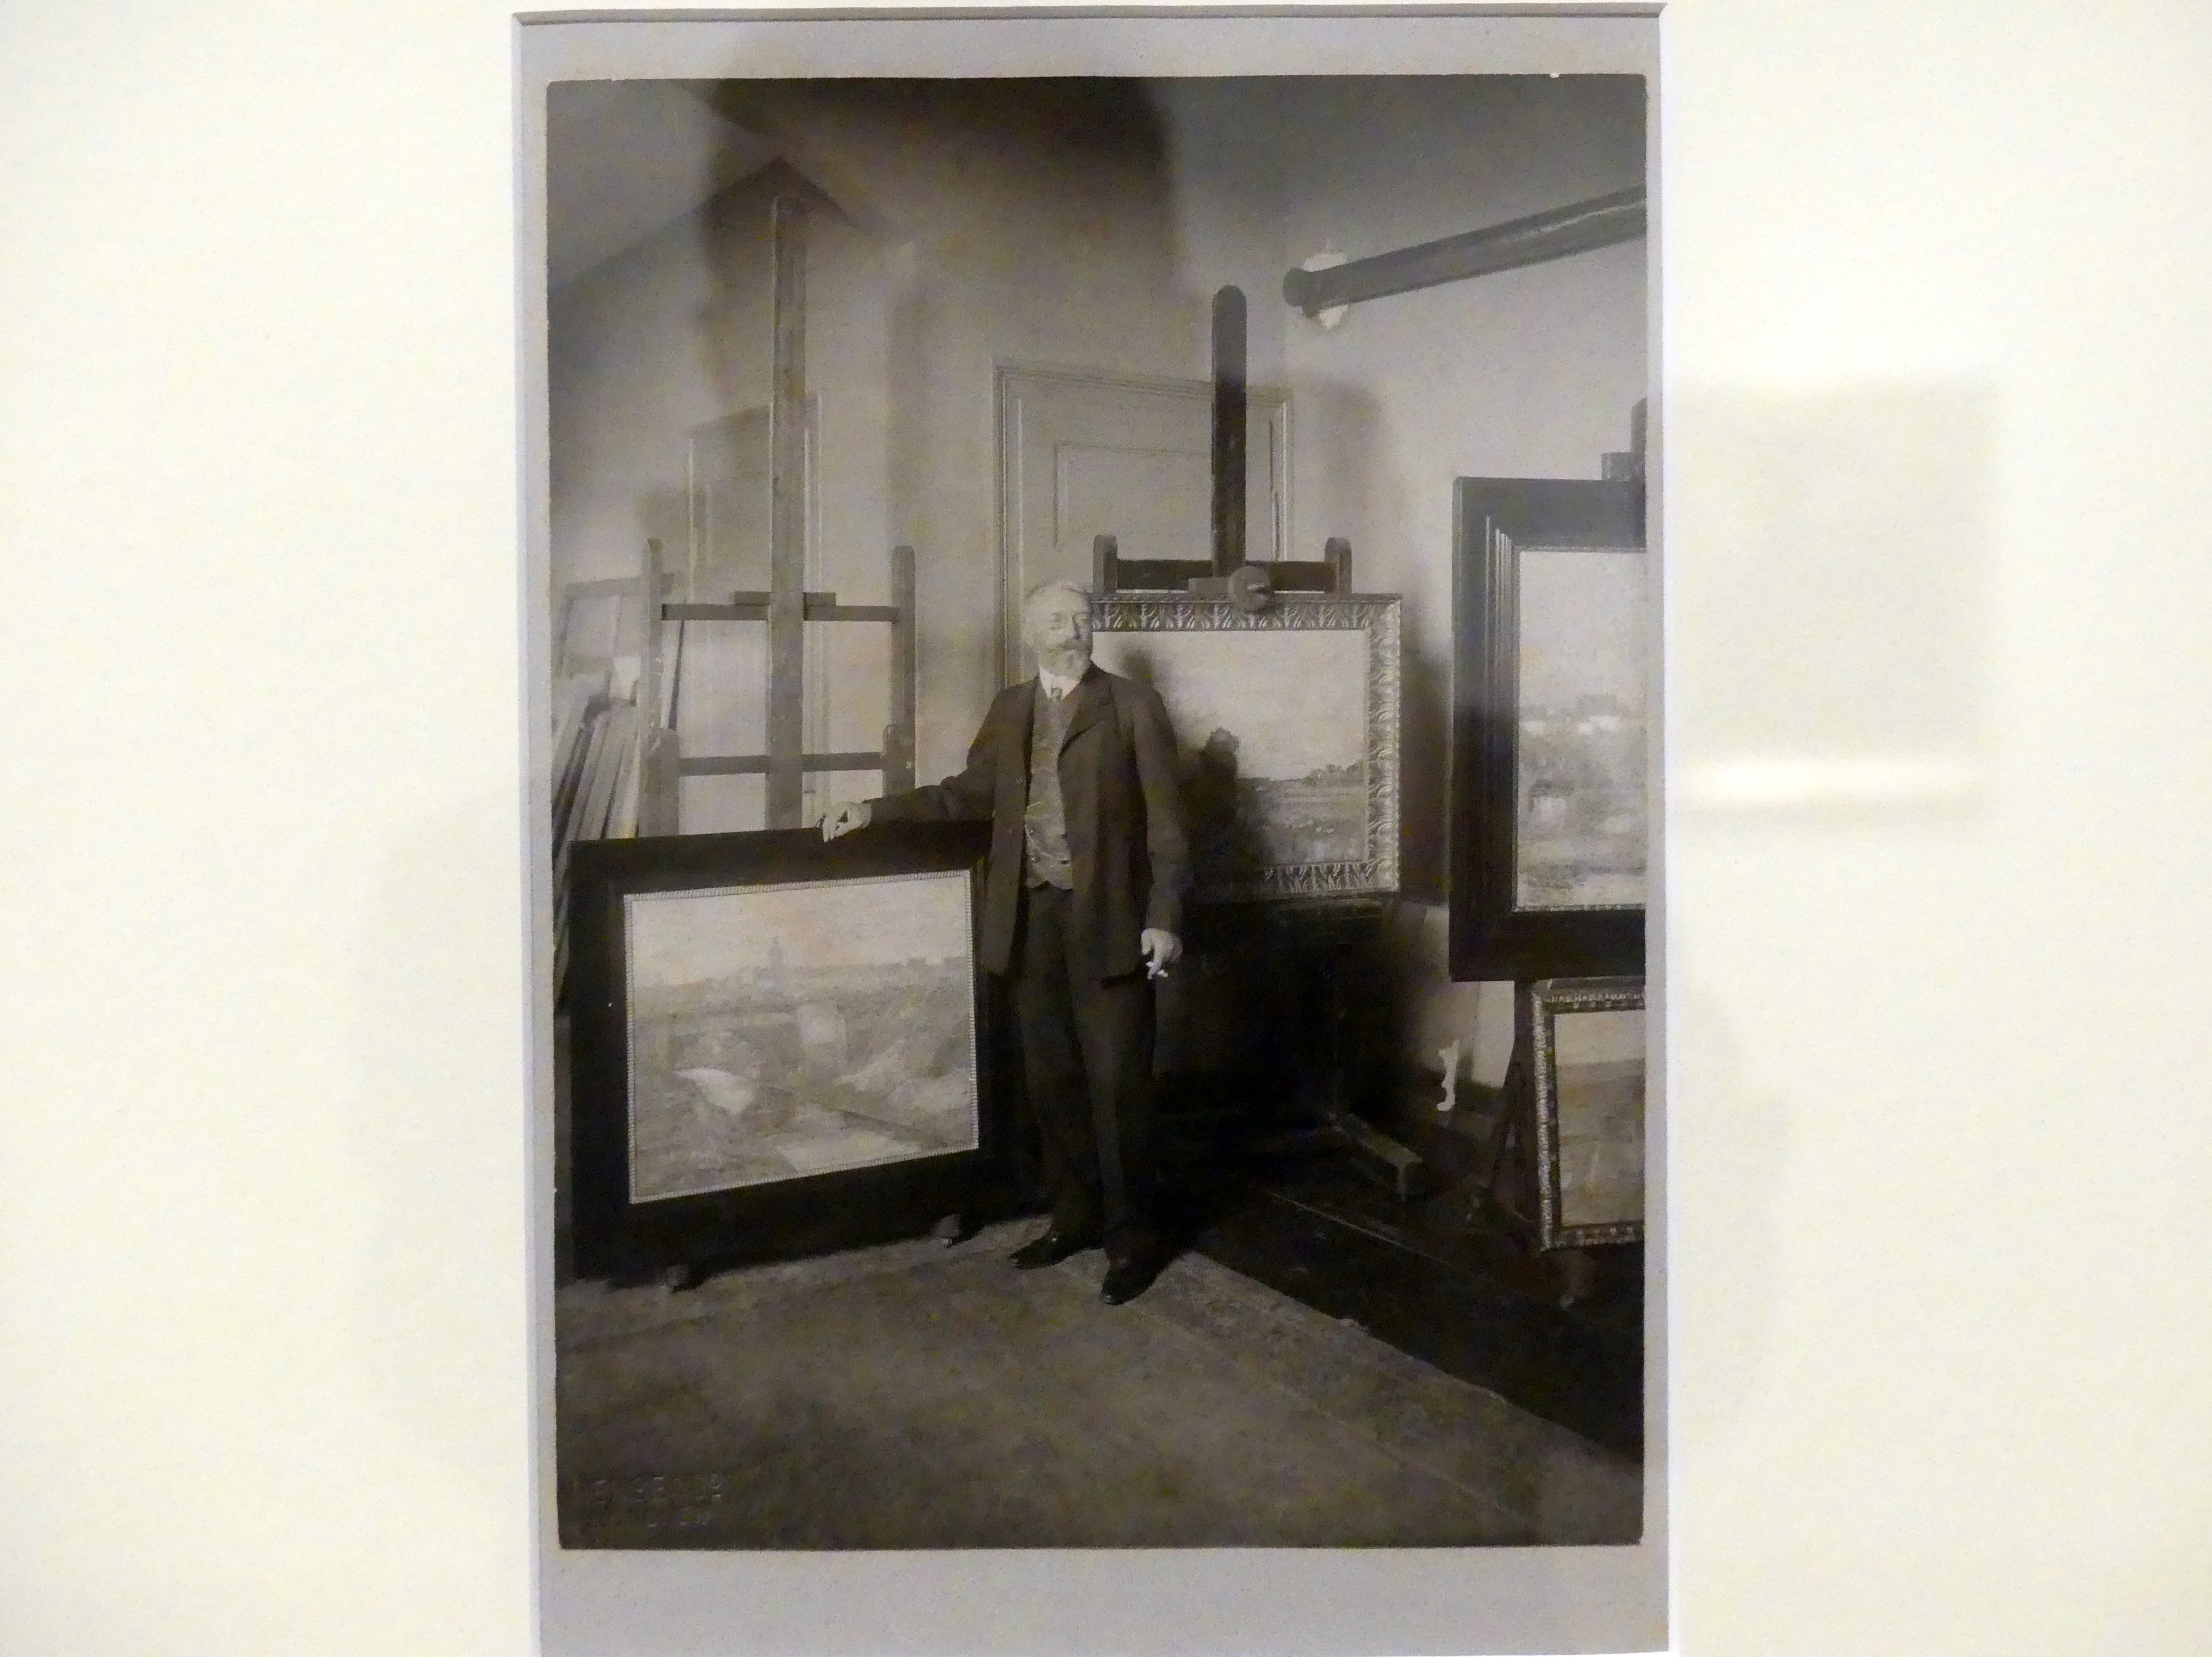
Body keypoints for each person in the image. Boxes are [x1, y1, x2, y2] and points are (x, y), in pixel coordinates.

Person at [824, 580, 1190, 1304]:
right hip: (1029, 919)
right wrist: (873, 810)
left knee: (1119, 1083)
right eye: (1056, 620)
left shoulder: (1133, 705)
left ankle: (1131, 1238)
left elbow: (1169, 825)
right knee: (1051, 1080)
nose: (1072, 631)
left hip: (1112, 919)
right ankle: (1073, 1218)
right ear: (1029, 635)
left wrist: (1165, 917)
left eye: (1081, 619)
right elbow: (963, 794)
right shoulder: (1011, 708)